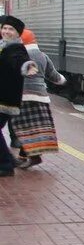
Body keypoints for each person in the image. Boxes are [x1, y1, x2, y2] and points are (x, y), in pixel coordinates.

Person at [12, 28, 66, 168]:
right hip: (41, 97)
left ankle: (29, 157)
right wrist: (63, 80)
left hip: (21, 96)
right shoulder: (43, 56)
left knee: (22, 127)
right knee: (35, 127)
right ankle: (28, 156)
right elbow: (54, 76)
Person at [0, 16, 39, 179]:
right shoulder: (3, 46)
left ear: (18, 34)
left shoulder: (15, 48)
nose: (6, 32)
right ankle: (8, 160)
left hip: (5, 99)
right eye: (4, 28)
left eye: (11, 29)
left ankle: (6, 165)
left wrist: (27, 66)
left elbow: (20, 61)